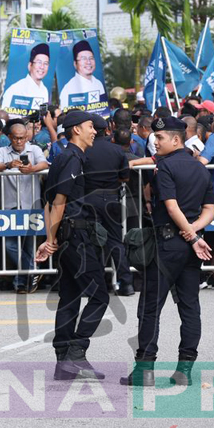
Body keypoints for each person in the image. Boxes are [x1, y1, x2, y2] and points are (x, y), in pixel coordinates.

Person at [121, 116, 214, 387]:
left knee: (150, 307)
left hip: (168, 244)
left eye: (159, 138)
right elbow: (211, 209)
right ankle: (185, 368)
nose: (154, 142)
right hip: (190, 245)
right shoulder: (200, 169)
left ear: (176, 139)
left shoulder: (165, 168)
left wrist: (190, 233)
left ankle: (145, 369)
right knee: (189, 306)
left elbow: (172, 207)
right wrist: (194, 232)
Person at [35, 110, 108, 380]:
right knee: (100, 296)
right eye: (90, 126)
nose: (94, 131)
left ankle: (63, 362)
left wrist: (51, 238)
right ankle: (76, 353)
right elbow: (58, 202)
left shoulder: (64, 157)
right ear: (76, 129)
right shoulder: (72, 158)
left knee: (70, 297)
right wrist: (51, 240)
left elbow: (48, 201)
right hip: (76, 237)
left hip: (69, 236)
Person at [0, 119, 47, 293]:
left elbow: (45, 163)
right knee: (10, 245)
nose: (19, 141)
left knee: (29, 245)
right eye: (16, 138)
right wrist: (8, 165)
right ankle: (32, 271)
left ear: (27, 137)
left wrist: (33, 169)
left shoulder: (34, 149)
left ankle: (22, 283)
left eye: (22, 138)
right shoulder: (2, 151)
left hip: (30, 203)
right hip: (10, 205)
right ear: (9, 138)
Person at [83, 114, 133, 296]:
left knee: (91, 242)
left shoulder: (84, 150)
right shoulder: (117, 150)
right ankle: (126, 283)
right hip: (112, 198)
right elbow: (125, 177)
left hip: (90, 199)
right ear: (108, 129)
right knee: (115, 242)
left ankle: (94, 285)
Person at [1, 43, 52, 112]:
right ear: (30, 65)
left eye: (45, 63)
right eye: (39, 62)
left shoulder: (44, 90)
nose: (42, 67)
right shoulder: (14, 90)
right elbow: (5, 115)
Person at [59, 39, 106, 107]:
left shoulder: (98, 83)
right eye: (83, 58)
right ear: (75, 64)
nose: (88, 62)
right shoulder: (68, 88)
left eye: (91, 58)